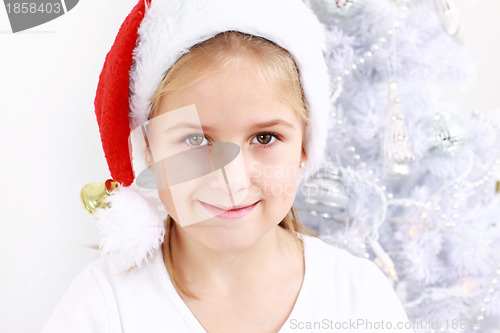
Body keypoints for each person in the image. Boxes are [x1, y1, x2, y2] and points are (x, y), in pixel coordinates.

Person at [42, 0, 414, 332]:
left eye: (265, 138)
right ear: (150, 152)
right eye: (195, 140)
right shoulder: (105, 306)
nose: (231, 180)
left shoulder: (357, 297)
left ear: (304, 146)